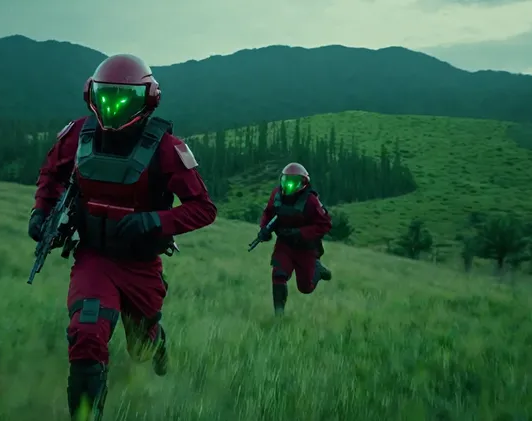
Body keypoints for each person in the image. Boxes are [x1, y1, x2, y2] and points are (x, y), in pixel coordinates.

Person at [27, 54, 217, 420]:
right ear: (91, 95)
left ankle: (156, 341)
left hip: (140, 264)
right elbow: (50, 175)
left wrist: (153, 222)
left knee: (140, 348)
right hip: (94, 256)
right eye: (106, 96)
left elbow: (203, 208)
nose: (112, 106)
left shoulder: (166, 148)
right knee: (86, 331)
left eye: (123, 99)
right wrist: (41, 212)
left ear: (146, 100)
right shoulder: (77, 136)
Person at [257, 162, 333, 315]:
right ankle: (279, 315)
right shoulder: (276, 195)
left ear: (303, 183)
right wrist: (264, 230)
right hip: (284, 244)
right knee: (278, 274)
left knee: (305, 288)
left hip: (306, 248)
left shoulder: (311, 201)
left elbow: (325, 224)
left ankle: (317, 270)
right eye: (286, 181)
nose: (289, 186)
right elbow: (268, 213)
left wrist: (300, 233)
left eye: (294, 182)